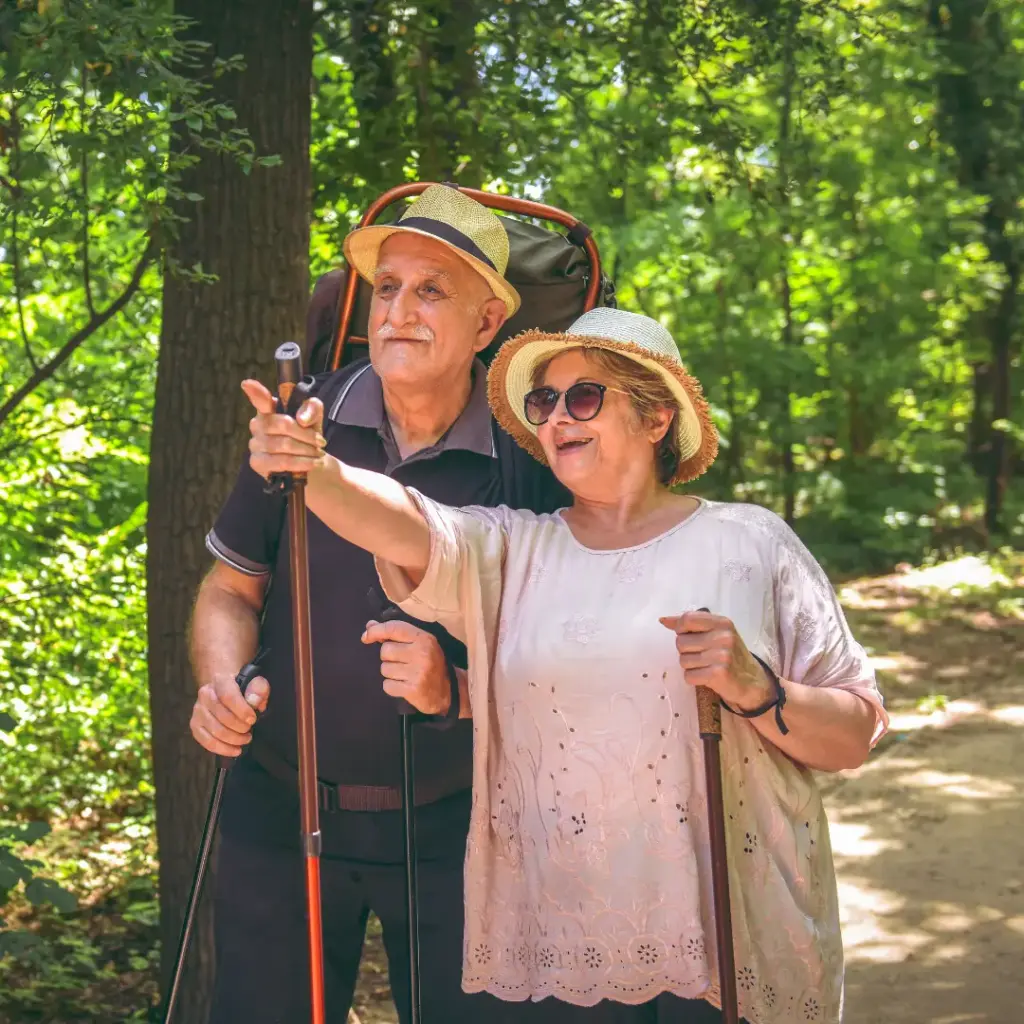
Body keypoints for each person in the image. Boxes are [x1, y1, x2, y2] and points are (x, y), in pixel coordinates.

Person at [243, 306, 889, 1024]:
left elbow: (856, 732)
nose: (556, 418)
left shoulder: (751, 543)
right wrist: (319, 469)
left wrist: (756, 689)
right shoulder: (517, 549)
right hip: (564, 947)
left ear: (654, 420)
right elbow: (412, 523)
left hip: (724, 942)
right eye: (543, 401)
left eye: (585, 396)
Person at [188, 185, 570, 1024]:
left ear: (487, 321)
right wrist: (220, 684)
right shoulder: (300, 426)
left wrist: (455, 680)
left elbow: (569, 651)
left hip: (464, 825)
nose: (398, 311)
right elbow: (228, 588)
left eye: (432, 289)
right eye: (388, 288)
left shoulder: (534, 455)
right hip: (280, 811)